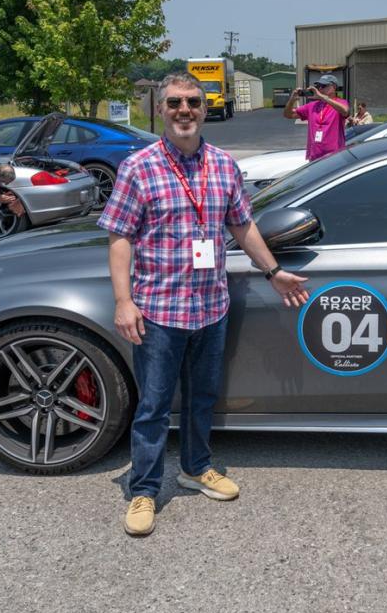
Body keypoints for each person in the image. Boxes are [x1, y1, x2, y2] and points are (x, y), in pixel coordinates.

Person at [100, 71, 310, 537]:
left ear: (205, 107)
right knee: (154, 404)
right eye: (174, 103)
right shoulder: (140, 167)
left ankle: (195, 468)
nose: (184, 111)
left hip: (211, 307)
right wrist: (123, 302)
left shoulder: (223, 165)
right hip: (158, 310)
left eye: (193, 102)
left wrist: (274, 272)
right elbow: (120, 238)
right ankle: (144, 489)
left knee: (201, 399)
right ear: (160, 108)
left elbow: (242, 227)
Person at [282, 73, 350, 161]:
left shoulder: (341, 102)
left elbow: (345, 111)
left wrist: (322, 97)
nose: (320, 89)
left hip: (334, 157)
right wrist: (292, 100)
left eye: (323, 86)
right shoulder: (312, 106)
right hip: (315, 156)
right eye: (318, 86)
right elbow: (288, 114)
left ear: (333, 87)